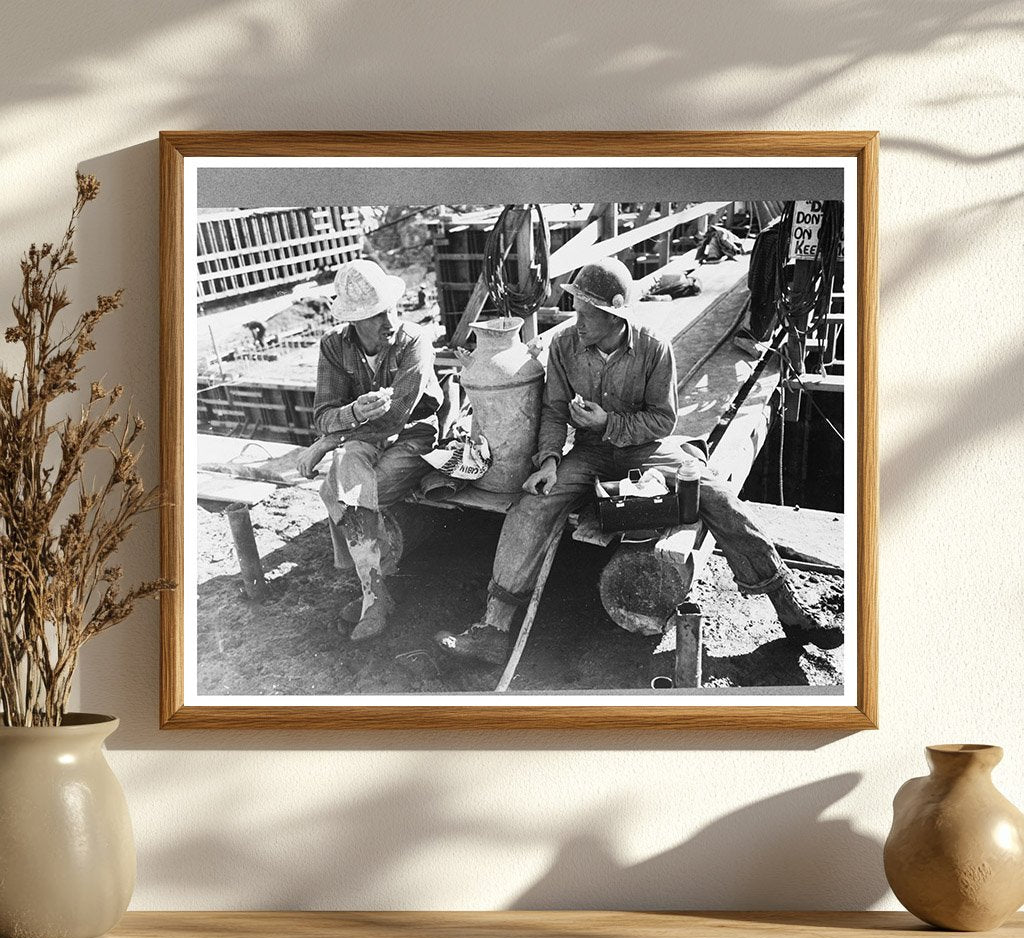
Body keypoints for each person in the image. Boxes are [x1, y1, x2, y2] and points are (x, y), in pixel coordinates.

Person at [434, 256, 841, 665]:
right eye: (576, 310)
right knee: (531, 505)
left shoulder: (653, 348)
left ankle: (789, 608)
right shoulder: (563, 346)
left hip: (646, 449)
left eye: (587, 313)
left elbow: (664, 420)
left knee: (716, 495)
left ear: (614, 315)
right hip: (589, 453)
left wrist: (609, 421)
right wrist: (550, 460)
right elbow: (555, 410)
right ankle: (493, 627)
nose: (578, 322)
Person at [297, 260, 443, 640]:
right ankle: (373, 593)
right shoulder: (333, 346)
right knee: (345, 471)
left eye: (390, 309)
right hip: (363, 435)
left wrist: (331, 440)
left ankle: (372, 593)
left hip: (415, 434)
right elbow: (323, 414)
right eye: (376, 316)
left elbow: (397, 417)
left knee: (340, 488)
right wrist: (349, 413)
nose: (388, 321)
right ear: (354, 322)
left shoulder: (414, 340)